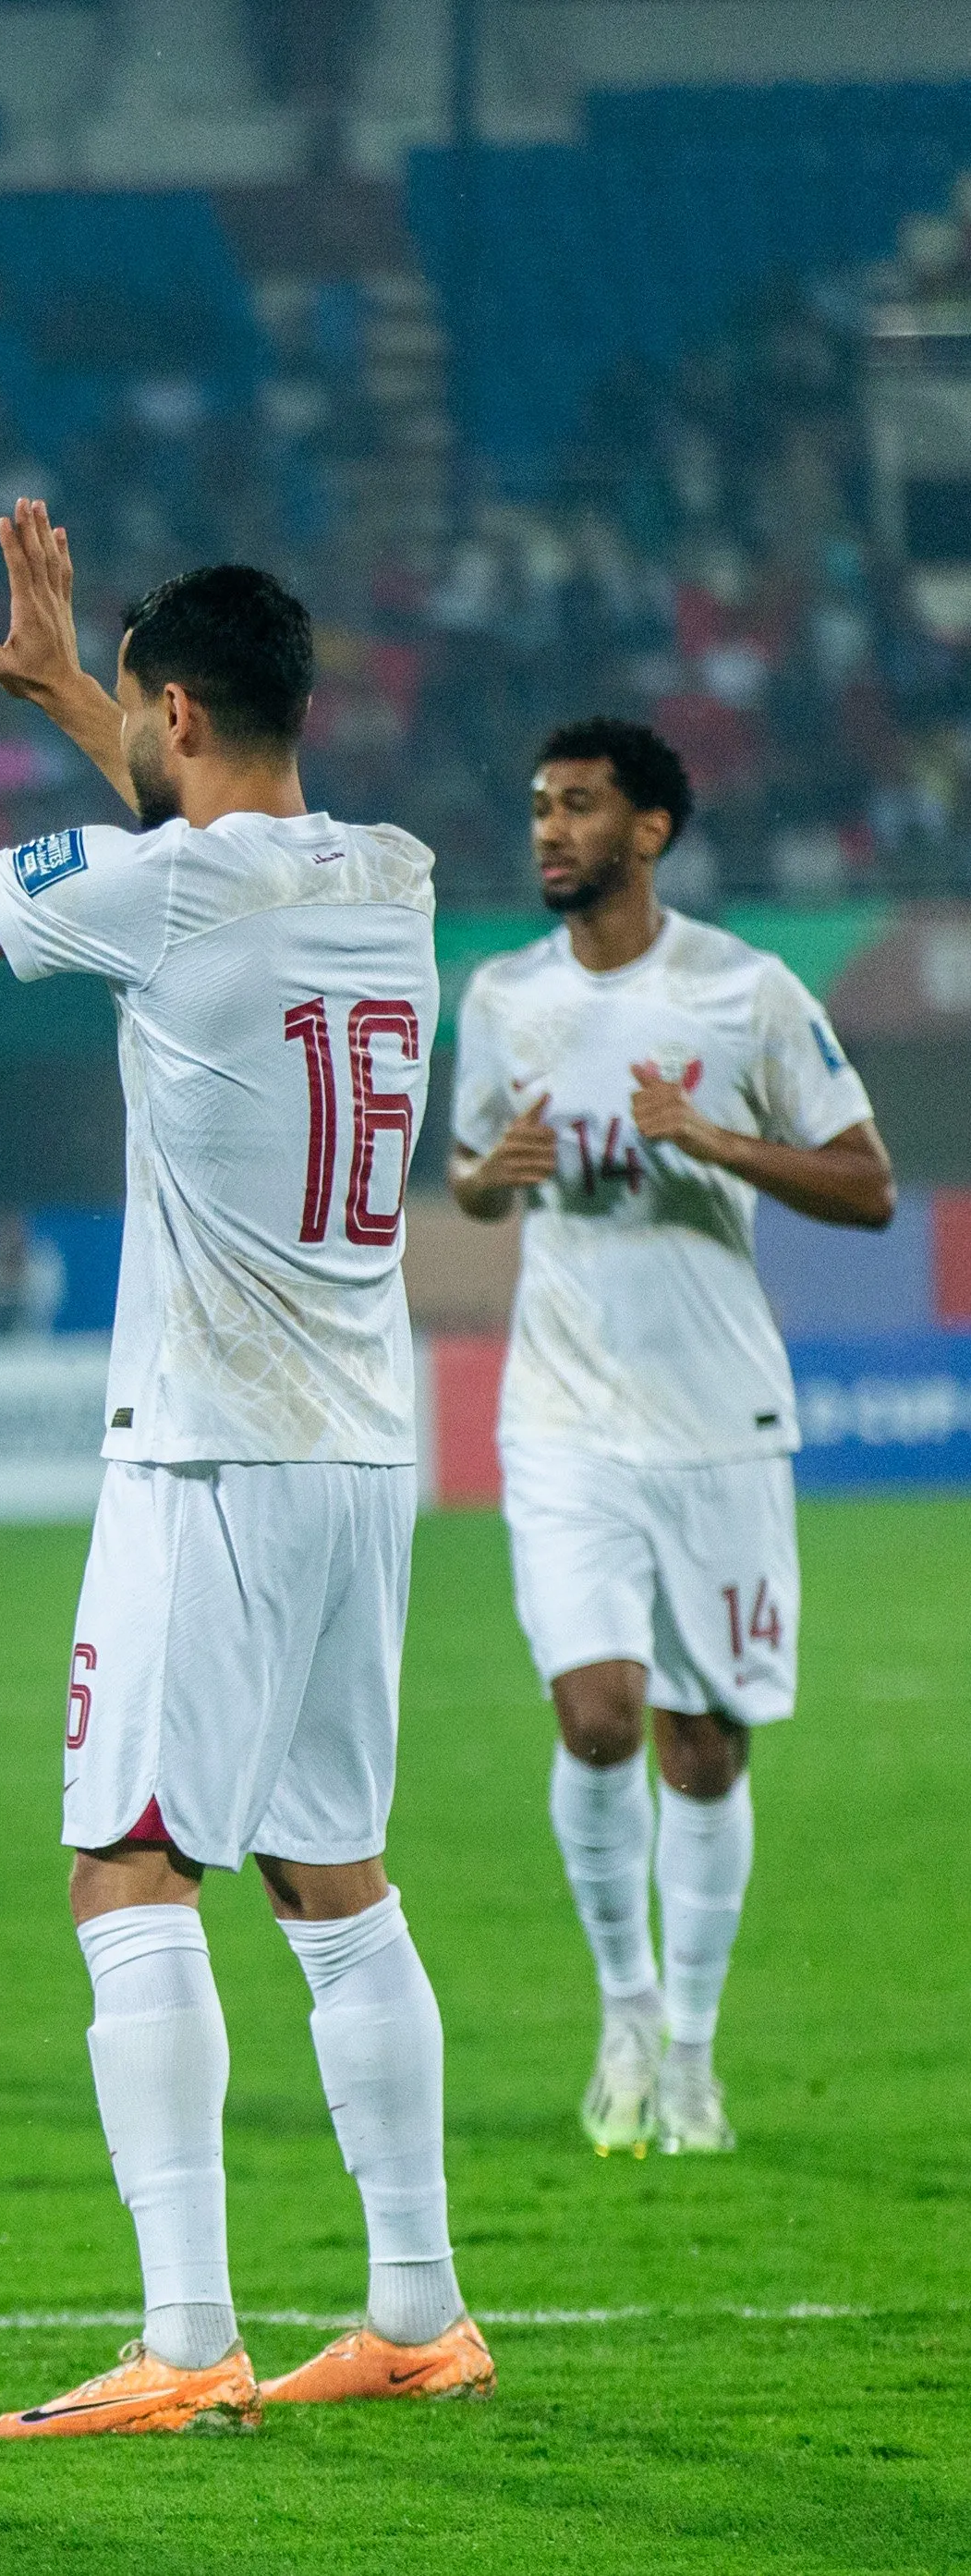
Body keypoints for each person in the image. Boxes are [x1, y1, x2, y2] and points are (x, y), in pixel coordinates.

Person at [0, 503, 490, 2435]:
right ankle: (413, 2307)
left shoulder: (158, 893)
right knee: (332, 1874)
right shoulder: (387, 872)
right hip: (355, 1444)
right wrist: (79, 692)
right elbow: (200, 843)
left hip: (205, 1448)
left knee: (125, 1861)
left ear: (175, 712)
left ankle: (182, 2335)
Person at [449, 718, 891, 2156]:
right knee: (599, 1715)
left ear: (651, 831)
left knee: (704, 1748)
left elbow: (866, 1184)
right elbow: (474, 1177)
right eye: (537, 806)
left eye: (578, 806)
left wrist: (715, 1141)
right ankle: (625, 2010)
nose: (548, 830)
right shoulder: (501, 997)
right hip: (564, 1416)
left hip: (718, 1424)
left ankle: (693, 2051)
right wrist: (488, 1178)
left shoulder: (743, 991)